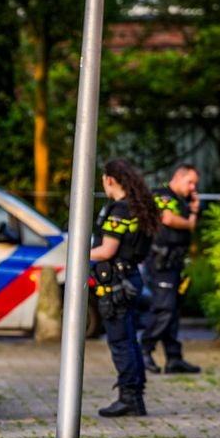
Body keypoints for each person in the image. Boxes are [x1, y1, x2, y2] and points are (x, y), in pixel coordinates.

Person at [90, 159, 159, 418]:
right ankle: (135, 397)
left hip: (116, 284)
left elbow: (108, 250)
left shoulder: (119, 211)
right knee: (129, 340)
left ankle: (129, 398)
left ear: (109, 179)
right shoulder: (137, 207)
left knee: (120, 342)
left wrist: (77, 253)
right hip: (130, 278)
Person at [141, 164, 202, 374]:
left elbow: (189, 225)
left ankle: (174, 358)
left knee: (173, 311)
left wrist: (193, 212)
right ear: (178, 177)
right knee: (164, 309)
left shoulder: (182, 202)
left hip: (174, 263)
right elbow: (166, 218)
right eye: (190, 182)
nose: (193, 188)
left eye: (195, 184)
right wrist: (189, 221)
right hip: (160, 262)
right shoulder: (162, 195)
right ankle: (144, 349)